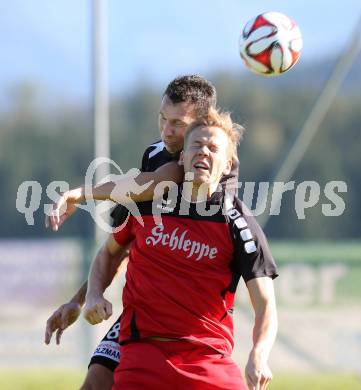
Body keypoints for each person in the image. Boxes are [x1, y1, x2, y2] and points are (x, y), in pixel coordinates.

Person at [45, 75, 220, 389]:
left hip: (194, 321)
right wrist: (79, 299)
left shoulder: (212, 161)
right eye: (162, 119)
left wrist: (79, 194)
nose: (167, 130)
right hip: (145, 310)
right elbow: (122, 243)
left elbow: (156, 181)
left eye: (178, 123)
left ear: (203, 122)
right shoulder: (155, 154)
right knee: (96, 382)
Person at [84, 108, 278, 390]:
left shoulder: (237, 223)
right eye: (197, 145)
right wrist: (92, 295)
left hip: (207, 360)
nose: (204, 152)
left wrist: (259, 354)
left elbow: (266, 303)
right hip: (142, 356)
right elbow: (109, 253)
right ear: (183, 157)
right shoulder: (146, 205)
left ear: (227, 165)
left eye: (214, 147)